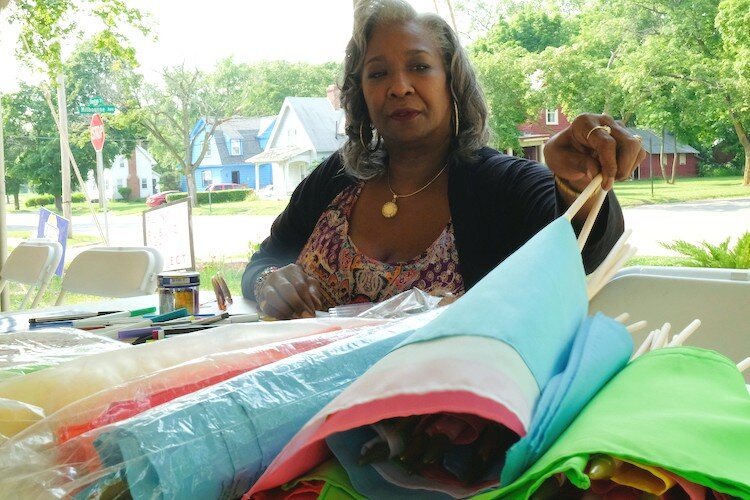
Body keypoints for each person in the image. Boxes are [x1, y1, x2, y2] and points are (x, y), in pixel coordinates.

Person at [241, 0, 645, 320]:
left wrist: (577, 184)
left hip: (441, 420)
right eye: (378, 74)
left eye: (419, 66)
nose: (399, 87)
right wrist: (268, 282)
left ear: (452, 82)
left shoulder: (500, 184)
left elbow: (584, 254)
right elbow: (264, 262)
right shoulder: (338, 176)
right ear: (360, 92)